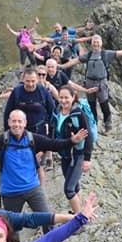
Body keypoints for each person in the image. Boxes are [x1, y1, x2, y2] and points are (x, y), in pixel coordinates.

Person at [60, 35, 122, 134]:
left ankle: (108, 126)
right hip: (89, 83)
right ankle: (94, 125)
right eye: (94, 41)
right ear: (92, 43)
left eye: (98, 42)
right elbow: (74, 61)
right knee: (91, 105)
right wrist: (61, 66)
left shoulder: (106, 54)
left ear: (101, 43)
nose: (96, 43)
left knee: (104, 104)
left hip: (101, 83)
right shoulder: (88, 55)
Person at [51, 85, 94, 214]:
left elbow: (89, 136)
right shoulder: (57, 110)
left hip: (77, 155)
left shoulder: (79, 114)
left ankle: (80, 220)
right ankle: (79, 211)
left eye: (66, 98)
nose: (63, 101)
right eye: (61, 97)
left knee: (69, 189)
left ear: (73, 97)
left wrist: (87, 159)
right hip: (64, 155)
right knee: (74, 186)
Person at [1, 68, 55, 136]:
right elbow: (7, 113)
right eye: (27, 81)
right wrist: (7, 133)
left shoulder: (43, 91)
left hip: (40, 132)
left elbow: (52, 110)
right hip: (20, 133)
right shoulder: (17, 92)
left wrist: (48, 125)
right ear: (23, 80)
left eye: (33, 81)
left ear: (37, 80)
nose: (30, 84)